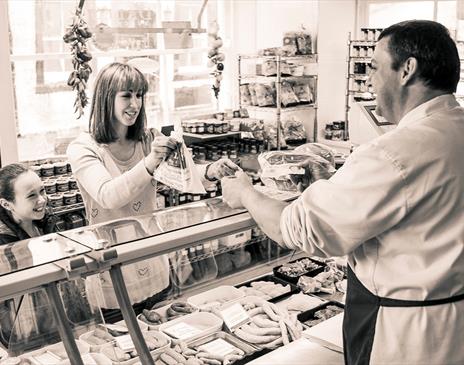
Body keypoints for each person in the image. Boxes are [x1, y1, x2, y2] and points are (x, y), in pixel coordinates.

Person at [222, 20, 464, 365]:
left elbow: (297, 229)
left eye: (375, 67)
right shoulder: (454, 129)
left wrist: (244, 193)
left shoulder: (394, 152)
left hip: (405, 336)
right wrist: (331, 181)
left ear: (406, 70)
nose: (368, 79)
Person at [67, 62, 239, 316]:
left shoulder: (148, 139)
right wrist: (149, 162)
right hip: (112, 278)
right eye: (126, 95)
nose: (135, 104)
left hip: (155, 265)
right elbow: (108, 196)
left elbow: (183, 177)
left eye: (139, 95)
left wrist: (212, 171)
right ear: (105, 98)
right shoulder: (84, 148)